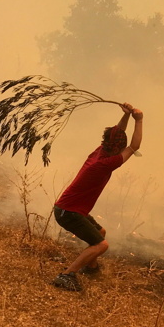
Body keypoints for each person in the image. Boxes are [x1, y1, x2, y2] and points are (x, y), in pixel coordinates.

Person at [51, 103, 144, 291]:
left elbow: (117, 133)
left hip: (68, 209)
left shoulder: (100, 151)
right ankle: (67, 275)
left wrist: (126, 116)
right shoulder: (106, 164)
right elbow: (134, 146)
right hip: (68, 213)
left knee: (100, 233)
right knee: (102, 245)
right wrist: (139, 120)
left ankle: (91, 267)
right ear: (118, 148)